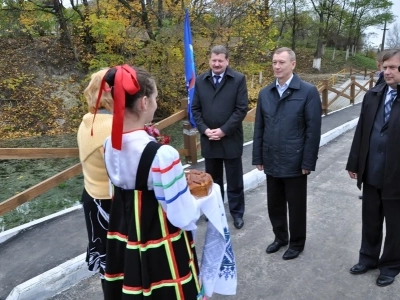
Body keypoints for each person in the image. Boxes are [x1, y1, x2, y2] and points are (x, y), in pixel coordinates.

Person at [99, 64, 203, 299]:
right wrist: (202, 202)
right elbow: (181, 214)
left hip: (124, 237)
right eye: (155, 98)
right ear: (144, 102)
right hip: (157, 237)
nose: (156, 103)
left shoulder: (108, 145)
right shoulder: (161, 155)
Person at [252, 47, 322, 260]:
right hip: (271, 158)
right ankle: (280, 238)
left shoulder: (307, 92)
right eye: (274, 62)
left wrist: (308, 161)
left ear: (293, 64)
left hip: (295, 160)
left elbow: (313, 130)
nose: (277, 66)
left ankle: (297, 243)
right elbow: (259, 128)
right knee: (274, 204)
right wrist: (258, 157)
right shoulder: (266, 93)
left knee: (296, 205)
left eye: (282, 62)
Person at [346, 48, 400, 287]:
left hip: (396, 175)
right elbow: (362, 130)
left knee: (396, 224)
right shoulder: (374, 94)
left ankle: (390, 265)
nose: (387, 72)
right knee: (370, 219)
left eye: (393, 68)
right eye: (384, 67)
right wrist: (354, 162)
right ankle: (367, 258)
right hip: (372, 170)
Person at [191, 45, 248, 230]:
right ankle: (214, 211)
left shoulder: (238, 79)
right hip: (209, 139)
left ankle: (237, 213)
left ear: (227, 61)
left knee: (234, 180)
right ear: (209, 60)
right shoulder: (200, 81)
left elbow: (241, 109)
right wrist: (205, 130)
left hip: (230, 138)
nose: (216, 64)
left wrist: (223, 130)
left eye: (220, 61)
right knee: (212, 180)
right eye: (213, 60)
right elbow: (195, 110)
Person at [77, 68, 113, 298]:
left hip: (92, 199)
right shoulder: (112, 127)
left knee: (106, 266)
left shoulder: (87, 122)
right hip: (111, 204)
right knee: (122, 265)